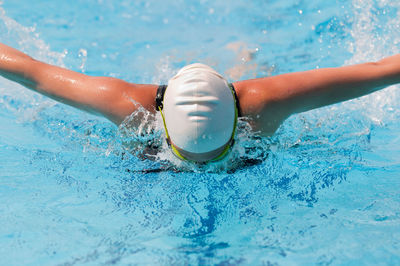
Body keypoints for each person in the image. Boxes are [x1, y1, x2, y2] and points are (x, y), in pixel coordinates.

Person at [1, 42, 400, 163]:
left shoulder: (263, 104)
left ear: (238, 127)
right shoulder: (130, 108)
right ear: (162, 128)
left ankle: (241, 54)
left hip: (244, 96)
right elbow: (31, 72)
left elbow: (381, 69)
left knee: (248, 60)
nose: (203, 170)